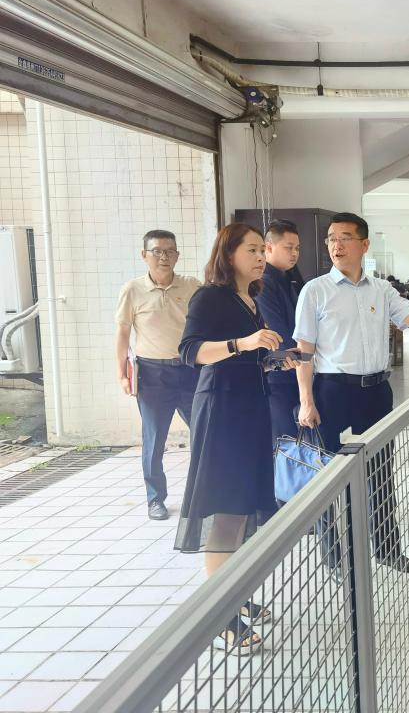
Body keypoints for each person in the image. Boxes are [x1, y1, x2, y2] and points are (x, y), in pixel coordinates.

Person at [294, 212, 409, 574]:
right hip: (333, 390)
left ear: (364, 245)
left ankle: (387, 548)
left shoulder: (381, 289)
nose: (336, 245)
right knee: (329, 476)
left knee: (380, 471)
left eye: (345, 238)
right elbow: (304, 352)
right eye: (332, 238)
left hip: (376, 391)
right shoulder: (315, 291)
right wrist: (306, 401)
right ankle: (334, 556)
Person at [176, 223, 301, 653]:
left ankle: (234, 594)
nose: (261, 257)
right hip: (223, 413)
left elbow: (249, 358)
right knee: (227, 511)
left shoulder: (250, 297)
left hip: (250, 410)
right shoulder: (209, 296)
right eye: (251, 250)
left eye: (262, 250)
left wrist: (275, 360)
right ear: (227, 254)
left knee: (244, 510)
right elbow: (190, 351)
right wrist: (242, 343)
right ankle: (220, 616)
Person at [115, 230, 201, 521]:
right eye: (157, 251)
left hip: (190, 371)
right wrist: (122, 374)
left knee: (205, 433)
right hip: (152, 375)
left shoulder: (192, 286)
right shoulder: (132, 290)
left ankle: (202, 495)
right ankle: (155, 499)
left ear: (177, 255)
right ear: (144, 255)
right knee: (154, 440)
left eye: (170, 251)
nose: (164, 257)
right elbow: (123, 333)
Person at [255, 219, 305, 444]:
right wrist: (306, 356)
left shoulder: (289, 277)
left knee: (299, 441)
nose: (294, 253)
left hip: (296, 368)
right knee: (284, 442)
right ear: (269, 247)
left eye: (297, 248)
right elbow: (278, 332)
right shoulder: (263, 282)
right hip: (278, 373)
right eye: (288, 247)